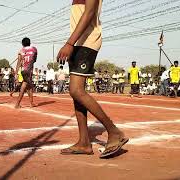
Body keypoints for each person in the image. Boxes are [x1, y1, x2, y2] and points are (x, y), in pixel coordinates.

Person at [56, 0, 127, 158]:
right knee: (75, 94)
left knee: (76, 90)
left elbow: (89, 12)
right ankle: (84, 142)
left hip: (87, 42)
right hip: (79, 43)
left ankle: (114, 132)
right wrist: (72, 44)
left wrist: (69, 43)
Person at [14, 37, 37, 108]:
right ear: (30, 42)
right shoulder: (34, 49)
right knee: (25, 86)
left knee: (29, 86)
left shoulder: (21, 51)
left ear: (22, 44)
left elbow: (18, 63)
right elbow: (35, 60)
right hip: (29, 70)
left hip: (23, 70)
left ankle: (31, 102)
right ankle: (17, 104)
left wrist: (16, 73)